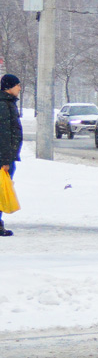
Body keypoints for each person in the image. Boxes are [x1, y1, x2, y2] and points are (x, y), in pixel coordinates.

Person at [0, 74, 22, 237]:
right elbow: (4, 134)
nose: (19, 88)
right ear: (9, 87)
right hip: (3, 158)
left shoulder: (8, 103)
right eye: (17, 85)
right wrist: (5, 160)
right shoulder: (3, 105)